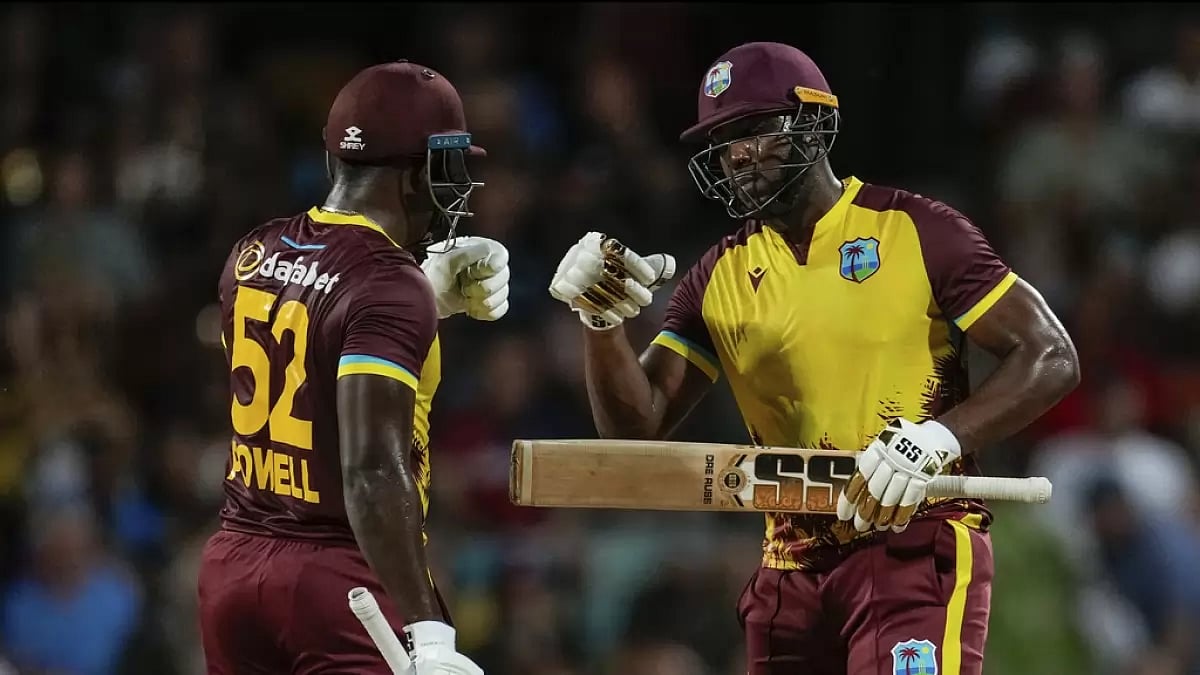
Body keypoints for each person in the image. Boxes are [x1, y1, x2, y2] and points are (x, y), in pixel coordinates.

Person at [549, 41, 1081, 675]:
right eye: (722, 140)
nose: (736, 154)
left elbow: (1050, 355)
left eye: (752, 129)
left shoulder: (918, 230)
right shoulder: (714, 276)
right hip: (789, 570)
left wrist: (937, 436)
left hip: (915, 540)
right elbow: (638, 428)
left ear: (812, 120)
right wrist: (602, 322)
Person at [197, 60, 509, 674]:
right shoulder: (389, 284)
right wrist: (429, 627)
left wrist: (423, 295)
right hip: (339, 580)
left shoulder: (252, 251)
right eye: (451, 168)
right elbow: (369, 468)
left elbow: (318, 344)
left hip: (233, 563)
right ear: (421, 175)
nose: (459, 188)